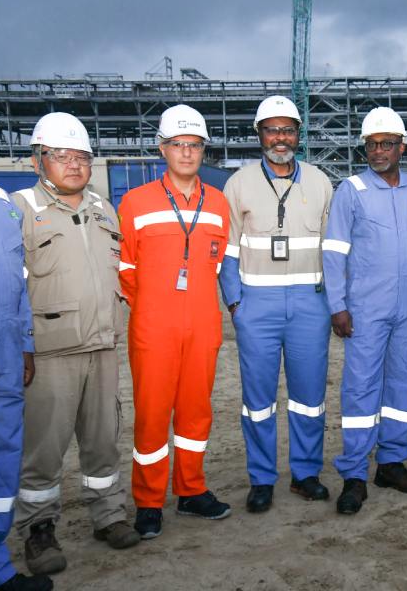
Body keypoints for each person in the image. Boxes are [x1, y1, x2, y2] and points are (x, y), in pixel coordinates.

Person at [12, 113, 139, 576]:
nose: (74, 165)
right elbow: (9, 285)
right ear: (38, 160)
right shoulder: (20, 208)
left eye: (82, 156)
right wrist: (21, 344)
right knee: (44, 448)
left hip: (103, 346)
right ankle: (39, 529)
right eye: (61, 156)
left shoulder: (105, 209)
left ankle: (108, 515)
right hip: (49, 353)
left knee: (104, 440)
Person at [118, 105, 231, 539]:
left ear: (204, 149)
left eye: (195, 145)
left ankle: (191, 490)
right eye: (178, 144)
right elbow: (126, 270)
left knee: (196, 412)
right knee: (150, 414)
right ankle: (148, 501)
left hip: (203, 323)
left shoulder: (219, 204)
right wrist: (153, 309)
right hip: (153, 325)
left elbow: (216, 264)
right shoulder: (135, 202)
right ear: (163, 148)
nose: (187, 153)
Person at [220, 96, 333, 512]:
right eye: (272, 129)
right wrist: (236, 306)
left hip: (310, 306)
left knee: (308, 397)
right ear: (259, 135)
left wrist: (331, 304)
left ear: (298, 135)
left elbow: (333, 250)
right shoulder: (239, 184)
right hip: (257, 307)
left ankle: (305, 473)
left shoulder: (320, 181)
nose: (280, 138)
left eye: (288, 129)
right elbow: (227, 253)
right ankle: (262, 478)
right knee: (258, 400)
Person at [322, 107, 407, 515]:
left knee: (403, 385)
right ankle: (354, 473)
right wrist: (338, 306)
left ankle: (391, 462)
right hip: (365, 307)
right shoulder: (351, 190)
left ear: (402, 146)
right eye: (372, 144)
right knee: (361, 386)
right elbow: (334, 252)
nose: (379, 150)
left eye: (387, 143)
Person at [0, 182, 52, 591]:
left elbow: (17, 282)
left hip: (5, 355)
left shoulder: (1, 205)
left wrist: (26, 342)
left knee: (1, 461)